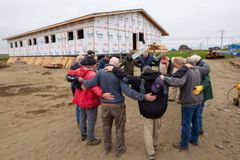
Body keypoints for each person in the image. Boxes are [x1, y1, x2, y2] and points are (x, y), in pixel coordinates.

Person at [80, 57, 156, 157]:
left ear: (109, 63)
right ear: (117, 64)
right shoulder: (118, 74)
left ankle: (107, 147)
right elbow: (128, 91)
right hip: (117, 106)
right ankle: (119, 149)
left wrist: (81, 80)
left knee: (106, 127)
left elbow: (89, 84)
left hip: (105, 105)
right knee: (119, 128)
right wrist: (143, 97)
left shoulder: (100, 72)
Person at [104, 65, 168, 160]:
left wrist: (113, 69)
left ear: (142, 71)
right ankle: (155, 145)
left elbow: (125, 76)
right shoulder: (163, 79)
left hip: (146, 110)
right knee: (157, 128)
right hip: (160, 109)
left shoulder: (139, 80)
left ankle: (150, 153)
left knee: (147, 130)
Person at [160, 57, 210, 151]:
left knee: (186, 123)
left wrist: (164, 79)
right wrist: (201, 60)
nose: (176, 68)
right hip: (198, 100)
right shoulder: (198, 69)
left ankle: (184, 145)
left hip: (188, 101)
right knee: (195, 121)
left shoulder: (186, 72)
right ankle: (194, 140)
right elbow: (207, 67)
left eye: (176, 66)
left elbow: (179, 82)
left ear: (179, 64)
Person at [67, 55, 114, 145]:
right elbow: (94, 88)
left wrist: (78, 85)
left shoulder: (78, 70)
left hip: (80, 99)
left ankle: (83, 134)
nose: (96, 65)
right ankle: (91, 139)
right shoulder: (92, 74)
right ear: (92, 65)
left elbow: (69, 75)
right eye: (95, 64)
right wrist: (103, 94)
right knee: (91, 119)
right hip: (90, 99)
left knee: (82, 116)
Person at [189, 55, 213, 135]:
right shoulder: (201, 65)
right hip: (199, 92)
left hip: (202, 93)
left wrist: (201, 87)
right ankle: (198, 128)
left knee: (198, 112)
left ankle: (199, 129)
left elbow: (207, 81)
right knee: (198, 112)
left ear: (195, 62)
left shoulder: (202, 68)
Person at [69, 54, 84, 126]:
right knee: (79, 106)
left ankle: (79, 121)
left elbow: (69, 78)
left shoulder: (73, 66)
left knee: (78, 106)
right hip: (77, 88)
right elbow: (70, 78)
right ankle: (80, 122)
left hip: (75, 87)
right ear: (80, 60)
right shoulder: (77, 67)